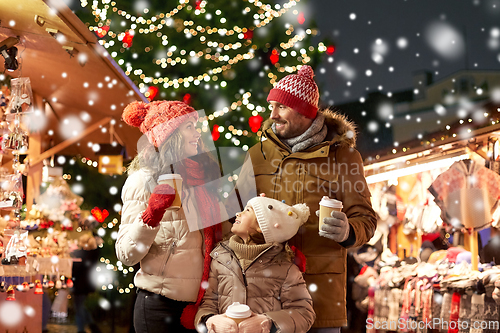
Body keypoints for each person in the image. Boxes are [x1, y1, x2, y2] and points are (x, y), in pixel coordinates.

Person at [236, 65, 377, 332]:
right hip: (266, 296)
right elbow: (235, 216)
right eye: (272, 106)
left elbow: (366, 219)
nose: (272, 115)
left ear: (304, 111)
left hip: (319, 297)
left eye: (281, 107)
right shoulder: (257, 155)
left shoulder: (343, 158)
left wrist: (348, 231)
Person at [117, 100, 226, 333]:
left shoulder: (204, 179)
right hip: (159, 306)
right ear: (170, 135)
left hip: (201, 306)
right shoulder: (142, 180)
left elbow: (220, 240)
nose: (197, 133)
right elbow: (126, 254)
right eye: (189, 127)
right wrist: (151, 215)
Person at [195, 195, 316, 333]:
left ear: (261, 226)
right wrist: (210, 320)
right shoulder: (220, 258)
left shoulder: (286, 268)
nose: (238, 213)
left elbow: (304, 313)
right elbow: (208, 303)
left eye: (247, 210)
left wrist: (269, 323)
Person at [71, 233, 101, 333]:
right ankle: (92, 325)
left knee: (79, 307)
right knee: (82, 306)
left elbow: (76, 270)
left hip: (80, 284)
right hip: (88, 284)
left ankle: (81, 329)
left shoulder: (80, 255)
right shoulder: (94, 254)